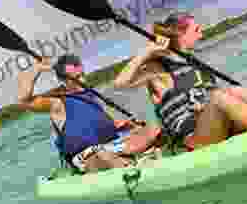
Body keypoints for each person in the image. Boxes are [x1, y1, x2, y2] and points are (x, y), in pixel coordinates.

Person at [113, 12, 247, 151]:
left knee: (236, 91)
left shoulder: (193, 62)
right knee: (219, 97)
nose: (202, 33)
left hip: (218, 126)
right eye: (196, 29)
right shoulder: (158, 69)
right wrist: (147, 51)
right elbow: (120, 83)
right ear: (180, 34)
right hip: (194, 139)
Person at [17, 53, 161, 173]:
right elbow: (25, 101)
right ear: (63, 80)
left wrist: (123, 125)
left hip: (112, 145)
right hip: (89, 155)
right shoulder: (57, 102)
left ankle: (143, 158)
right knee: (103, 155)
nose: (83, 80)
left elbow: (109, 124)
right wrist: (37, 68)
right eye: (76, 78)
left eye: (82, 75)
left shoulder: (90, 96)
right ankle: (131, 167)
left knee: (153, 129)